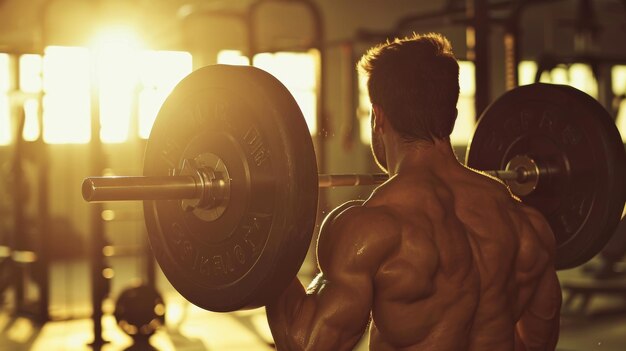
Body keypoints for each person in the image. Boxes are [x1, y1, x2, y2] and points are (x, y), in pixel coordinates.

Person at [266, 33, 561, 351]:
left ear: (378, 118)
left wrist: (266, 230)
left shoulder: (370, 229)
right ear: (452, 115)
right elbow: (537, 342)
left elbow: (306, 344)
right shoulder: (526, 224)